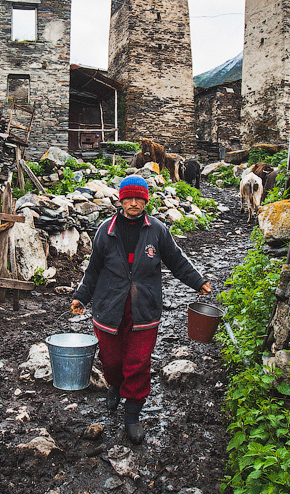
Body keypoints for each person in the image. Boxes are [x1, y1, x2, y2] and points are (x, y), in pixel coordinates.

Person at [70, 174, 211, 444]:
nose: (133, 203)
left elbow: (177, 261)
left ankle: (132, 414)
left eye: (139, 198)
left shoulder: (157, 230)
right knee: (111, 359)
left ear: (146, 200)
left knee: (138, 362)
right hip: (109, 307)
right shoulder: (105, 230)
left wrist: (198, 281)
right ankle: (114, 384)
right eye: (128, 198)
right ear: (120, 199)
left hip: (144, 309)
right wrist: (80, 297)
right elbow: (93, 269)